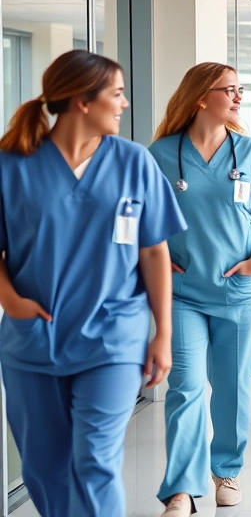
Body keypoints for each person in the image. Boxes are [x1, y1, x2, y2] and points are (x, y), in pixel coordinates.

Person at [0, 50, 186, 517]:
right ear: (83, 101)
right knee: (44, 467)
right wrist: (13, 302)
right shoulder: (13, 163)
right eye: (117, 94)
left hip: (113, 338)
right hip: (33, 340)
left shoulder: (133, 162)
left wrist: (162, 332)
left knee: (95, 462)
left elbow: (153, 250)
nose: (124, 104)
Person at [148, 63, 251, 515]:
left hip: (239, 291)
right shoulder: (162, 155)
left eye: (240, 89)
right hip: (183, 290)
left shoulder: (249, 151)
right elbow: (146, 224)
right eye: (230, 90)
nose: (238, 97)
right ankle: (182, 490)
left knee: (232, 386)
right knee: (185, 386)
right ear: (201, 97)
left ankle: (225, 468)